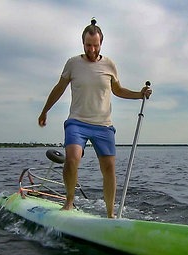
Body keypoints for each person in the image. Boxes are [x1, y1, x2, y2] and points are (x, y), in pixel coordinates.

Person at [38, 19, 152, 218]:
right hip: (77, 122)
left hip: (103, 125)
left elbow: (117, 90)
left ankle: (110, 215)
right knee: (72, 159)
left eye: (96, 45)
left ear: (101, 44)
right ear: (83, 43)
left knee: (109, 168)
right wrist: (45, 110)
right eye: (88, 45)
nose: (92, 49)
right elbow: (59, 88)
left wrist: (139, 94)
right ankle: (69, 202)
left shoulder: (109, 65)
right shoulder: (73, 63)